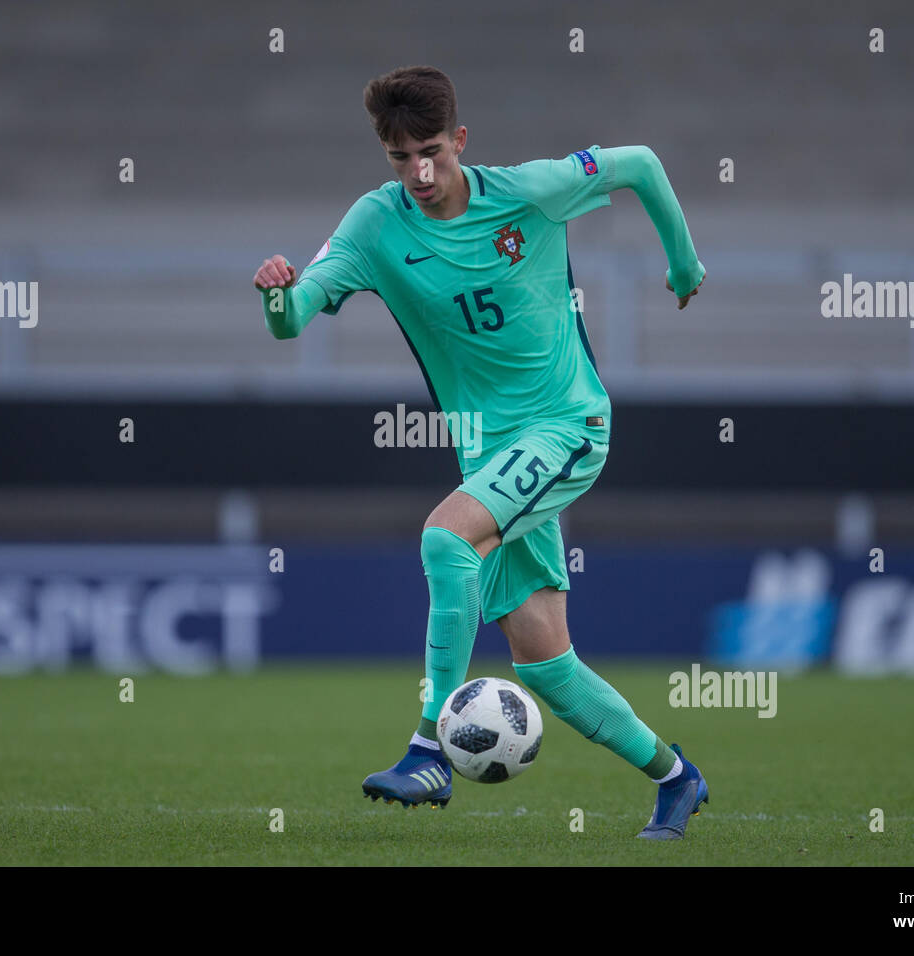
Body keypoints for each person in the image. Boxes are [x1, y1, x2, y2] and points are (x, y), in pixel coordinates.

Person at [253, 65, 708, 839]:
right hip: (490, 460)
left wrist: (683, 260)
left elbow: (640, 164)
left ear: (460, 140)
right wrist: (275, 292)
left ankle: (428, 748)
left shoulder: (530, 191)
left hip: (568, 428)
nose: (419, 172)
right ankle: (676, 778)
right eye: (400, 158)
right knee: (545, 667)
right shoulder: (374, 225)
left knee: (443, 536)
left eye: (431, 151)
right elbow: (293, 320)